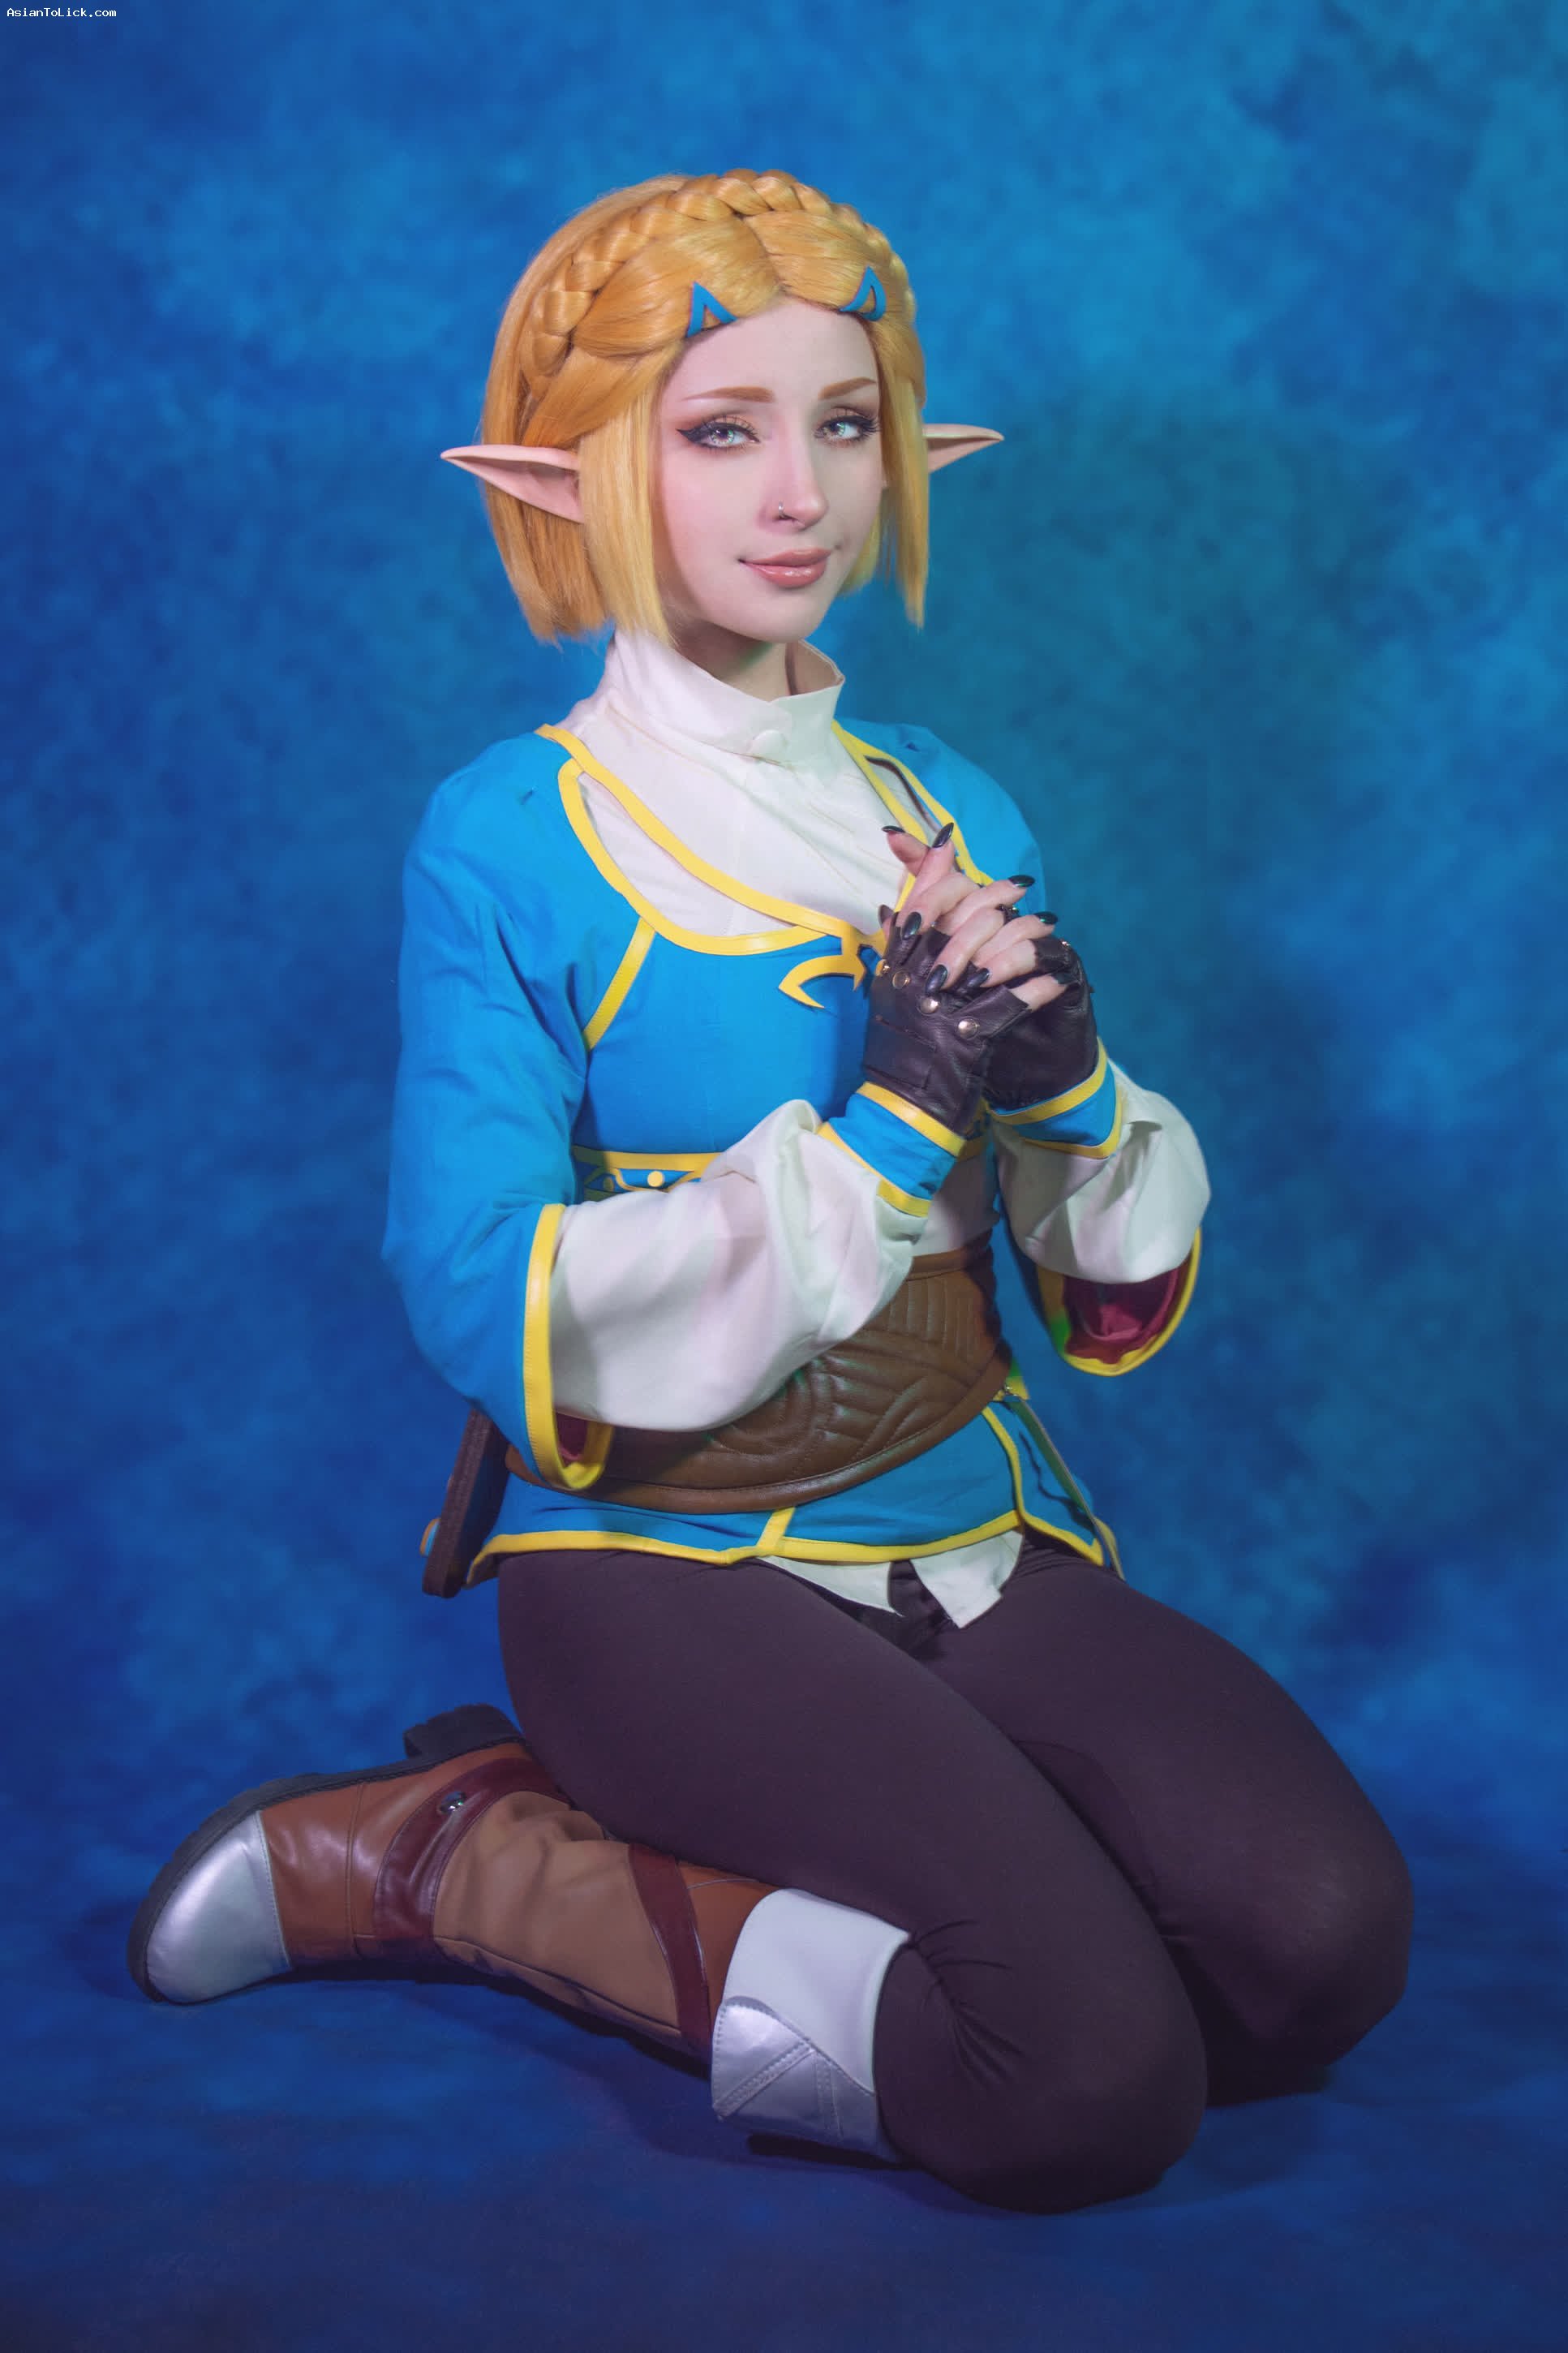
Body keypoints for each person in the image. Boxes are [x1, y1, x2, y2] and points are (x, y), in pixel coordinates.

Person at [127, 170, 1413, 2214]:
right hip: (652, 1557)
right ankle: (477, 1860)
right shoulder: (511, 833)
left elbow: (1102, 1286)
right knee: (1076, 2083)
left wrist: (1068, 1089)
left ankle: (919, 1887)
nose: (799, 492)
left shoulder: (948, 802)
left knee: (1310, 1955)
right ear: (572, 475)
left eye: (843, 423)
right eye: (721, 430)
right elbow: (470, 1279)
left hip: (964, 1517)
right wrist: (889, 1131)